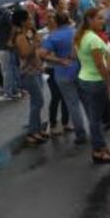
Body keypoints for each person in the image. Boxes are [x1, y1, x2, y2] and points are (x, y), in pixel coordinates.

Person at [74, 7, 110, 164]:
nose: (103, 20)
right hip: (95, 82)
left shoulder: (81, 36)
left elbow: (78, 57)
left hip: (84, 79)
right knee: (96, 119)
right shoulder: (92, 39)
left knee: (93, 118)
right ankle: (99, 150)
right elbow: (100, 65)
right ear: (90, 20)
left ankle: (99, 148)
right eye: (99, 18)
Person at [39, 11, 88, 145]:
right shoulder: (77, 32)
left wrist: (59, 60)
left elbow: (42, 54)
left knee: (73, 104)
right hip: (82, 70)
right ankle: (95, 128)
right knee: (87, 101)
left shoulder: (52, 37)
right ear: (68, 20)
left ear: (56, 22)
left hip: (63, 72)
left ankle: (81, 133)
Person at [11, 8, 47, 146]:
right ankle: (32, 132)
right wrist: (36, 43)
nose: (31, 21)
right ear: (22, 21)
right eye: (29, 19)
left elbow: (36, 52)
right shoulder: (20, 36)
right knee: (38, 101)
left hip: (36, 70)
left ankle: (37, 128)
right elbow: (25, 54)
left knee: (36, 102)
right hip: (28, 73)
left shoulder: (29, 33)